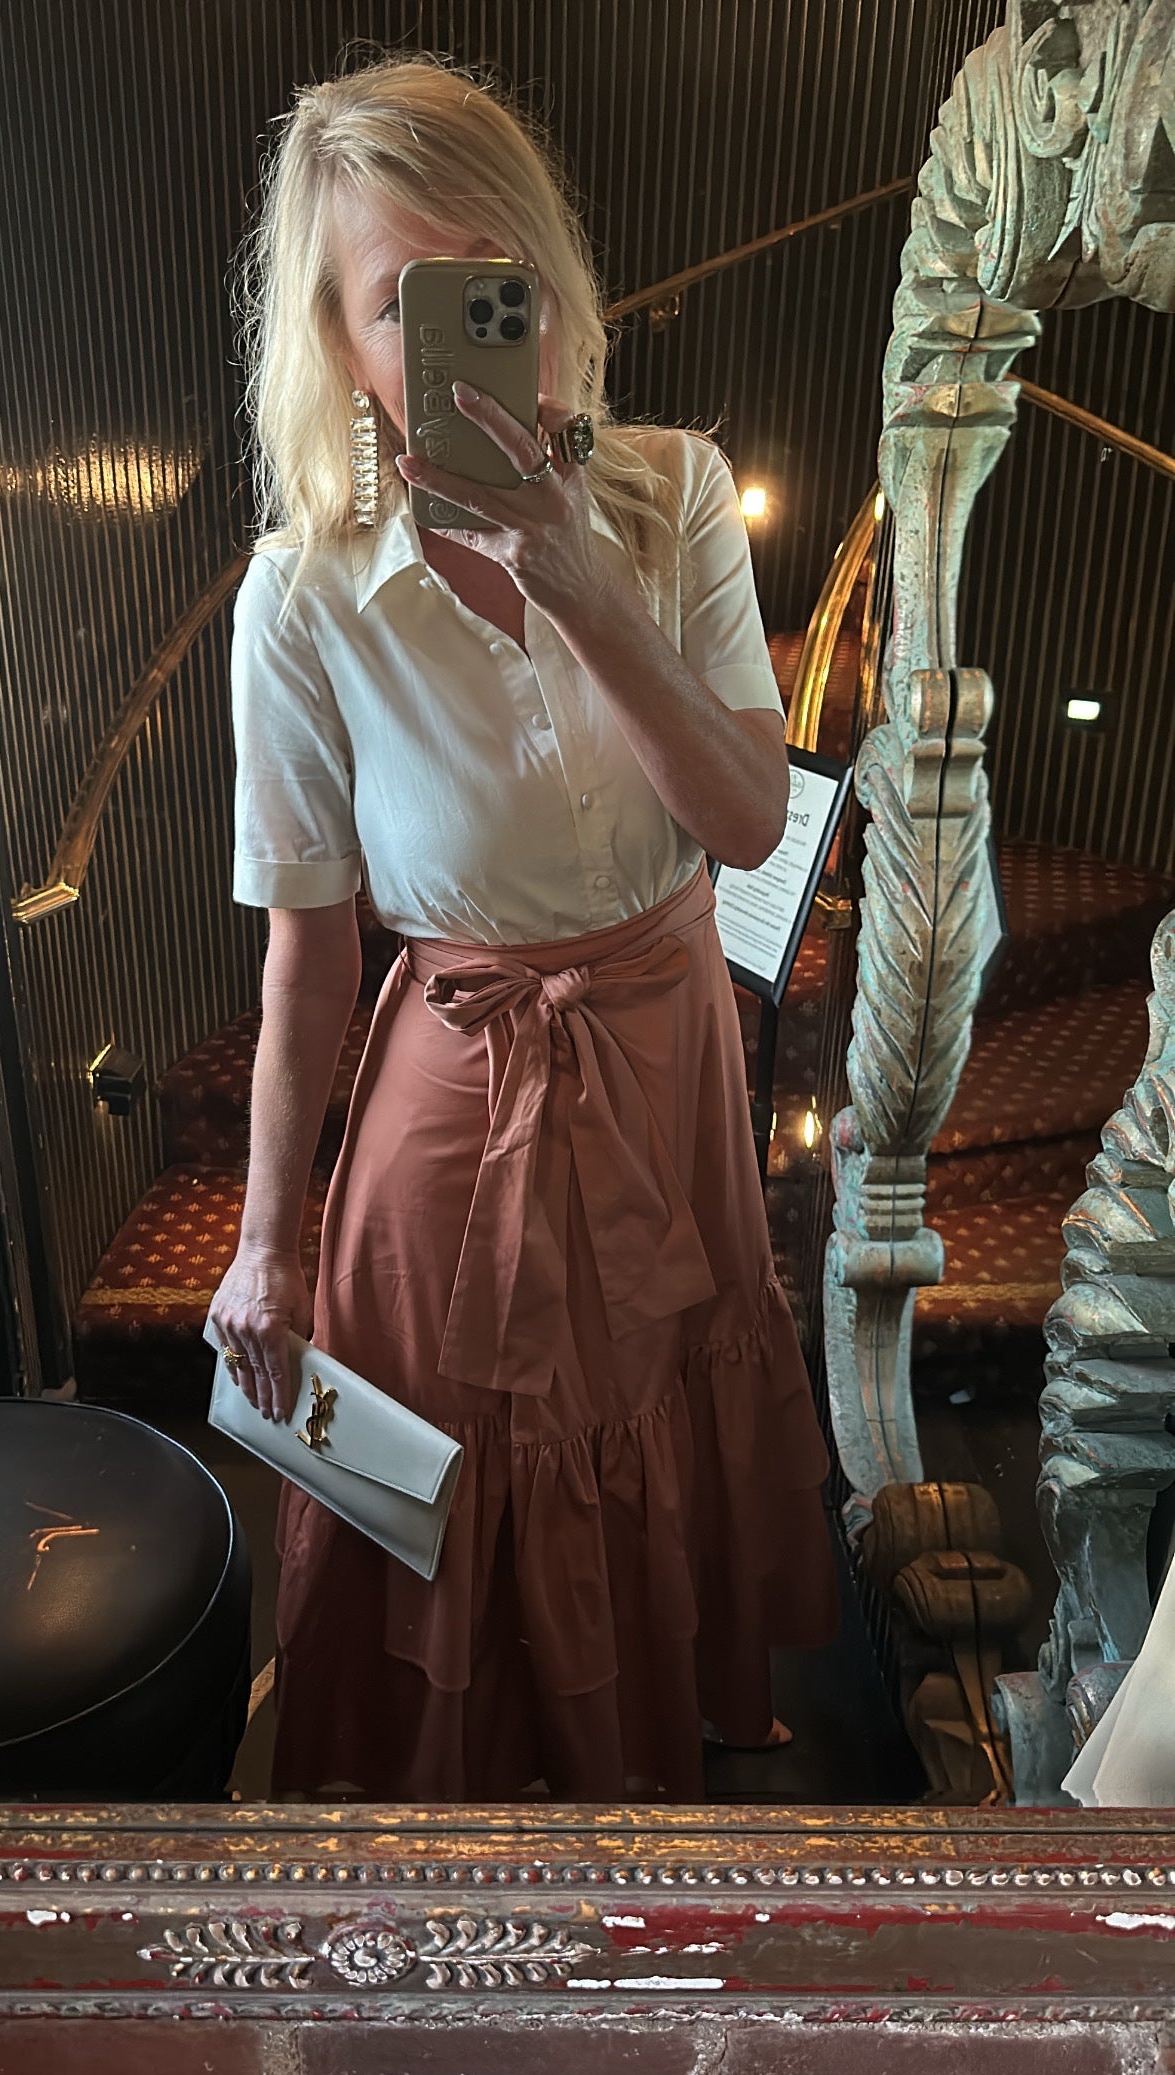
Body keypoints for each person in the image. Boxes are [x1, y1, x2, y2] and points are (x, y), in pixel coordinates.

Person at [208, 51, 839, 1802]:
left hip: (663, 1062)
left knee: (657, 1411)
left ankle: (642, 1804)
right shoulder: (300, 598)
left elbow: (744, 819)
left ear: (552, 285)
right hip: (458, 1088)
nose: (469, 336)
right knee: (456, 1461)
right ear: (341, 347)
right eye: (401, 305)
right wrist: (266, 1243)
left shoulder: (676, 495)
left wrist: (579, 576)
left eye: (495, 283)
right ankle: (471, 1852)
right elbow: (308, 957)